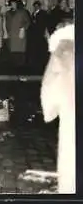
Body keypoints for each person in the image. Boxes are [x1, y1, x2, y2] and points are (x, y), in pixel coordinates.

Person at [40, 24, 75, 193]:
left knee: (70, 154)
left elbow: (50, 84)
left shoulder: (61, 51)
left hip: (71, 110)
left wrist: (50, 111)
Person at [4, 0, 31, 69]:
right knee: (12, 49)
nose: (13, 5)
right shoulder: (7, 13)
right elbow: (6, 23)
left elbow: (27, 22)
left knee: (20, 50)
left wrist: (23, 28)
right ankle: (13, 65)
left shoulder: (23, 12)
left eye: (14, 3)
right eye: (12, 4)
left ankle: (21, 65)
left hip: (20, 33)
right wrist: (6, 32)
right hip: (11, 34)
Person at [27, 0, 50, 73]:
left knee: (40, 48)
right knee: (35, 48)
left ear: (39, 6)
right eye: (34, 6)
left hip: (39, 33)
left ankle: (40, 63)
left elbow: (43, 23)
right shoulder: (33, 13)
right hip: (34, 34)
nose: (35, 7)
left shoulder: (43, 13)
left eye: (37, 6)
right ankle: (36, 63)